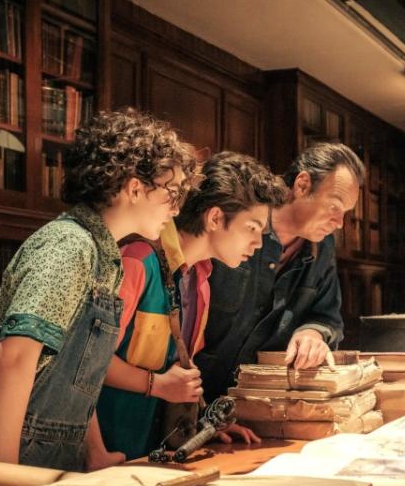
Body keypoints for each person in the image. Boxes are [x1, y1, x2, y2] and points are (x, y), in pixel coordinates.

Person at [0, 108, 196, 471]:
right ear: (134, 188)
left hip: (52, 458)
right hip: (3, 460)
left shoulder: (103, 256)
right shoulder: (69, 245)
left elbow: (80, 369)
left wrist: (95, 451)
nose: (176, 209)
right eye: (172, 192)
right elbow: (13, 358)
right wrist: (6, 475)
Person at [97, 151, 289, 459]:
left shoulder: (201, 278)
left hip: (151, 453)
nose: (257, 244)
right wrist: (156, 385)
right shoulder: (138, 260)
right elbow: (86, 363)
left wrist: (206, 426)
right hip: (108, 454)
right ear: (214, 218)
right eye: (252, 228)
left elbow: (176, 369)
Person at [195, 143, 364, 402]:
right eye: (334, 206)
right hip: (187, 396)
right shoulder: (239, 222)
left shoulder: (323, 247)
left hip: (255, 404)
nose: (340, 223)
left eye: (346, 214)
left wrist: (313, 333)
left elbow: (328, 316)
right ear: (303, 185)